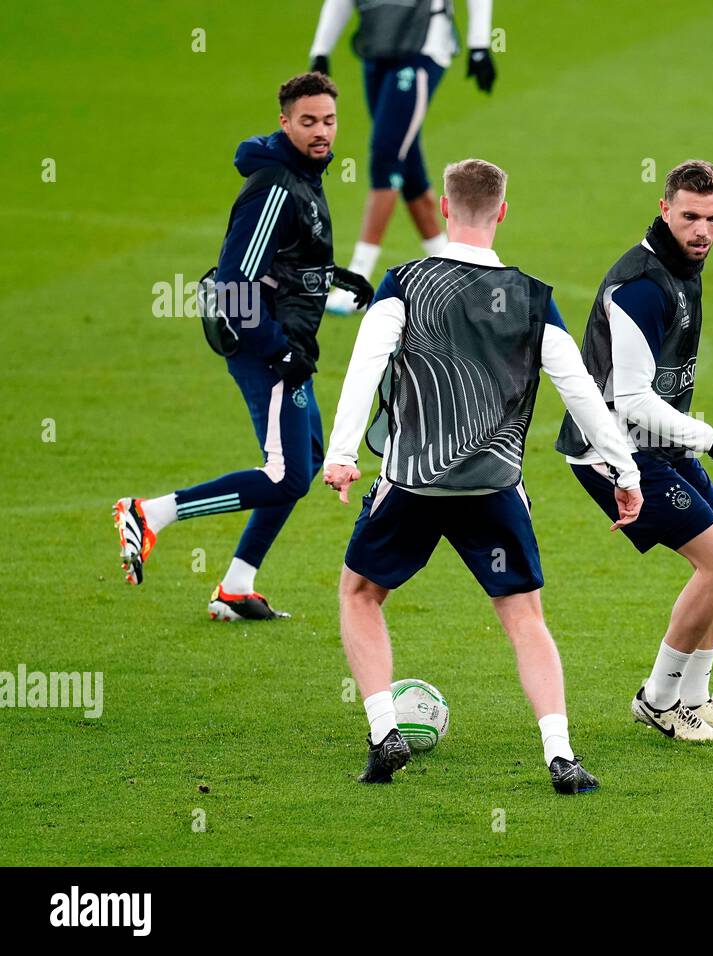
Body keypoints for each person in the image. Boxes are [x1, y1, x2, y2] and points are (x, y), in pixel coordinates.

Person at [322, 159, 644, 793]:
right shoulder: (532, 297)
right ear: (502, 211)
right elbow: (581, 391)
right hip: (493, 486)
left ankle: (385, 732)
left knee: (360, 595)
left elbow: (365, 367)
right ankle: (561, 757)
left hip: (412, 482)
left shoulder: (404, 283)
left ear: (443, 208)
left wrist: (341, 453)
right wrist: (624, 469)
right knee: (524, 618)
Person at [112, 73, 372, 620]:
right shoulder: (275, 186)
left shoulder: (304, 173)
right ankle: (149, 512)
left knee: (307, 460)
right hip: (266, 347)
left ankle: (236, 585)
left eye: (328, 120)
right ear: (284, 122)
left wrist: (335, 277)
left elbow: (286, 262)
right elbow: (235, 287)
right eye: (308, 122)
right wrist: (278, 352)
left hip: (286, 343)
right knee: (285, 475)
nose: (321, 131)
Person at [556, 160, 713, 743]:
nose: (702, 231)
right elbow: (631, 398)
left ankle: (695, 697)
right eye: (690, 217)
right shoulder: (642, 287)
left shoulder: (683, 265)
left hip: (659, 443)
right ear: (665, 207)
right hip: (613, 450)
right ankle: (658, 698)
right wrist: (712, 438)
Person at [308, 0, 497, 315]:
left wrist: (479, 45)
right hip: (377, 47)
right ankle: (454, 273)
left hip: (421, 48)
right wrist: (321, 49)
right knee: (405, 164)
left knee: (386, 155)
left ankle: (356, 282)